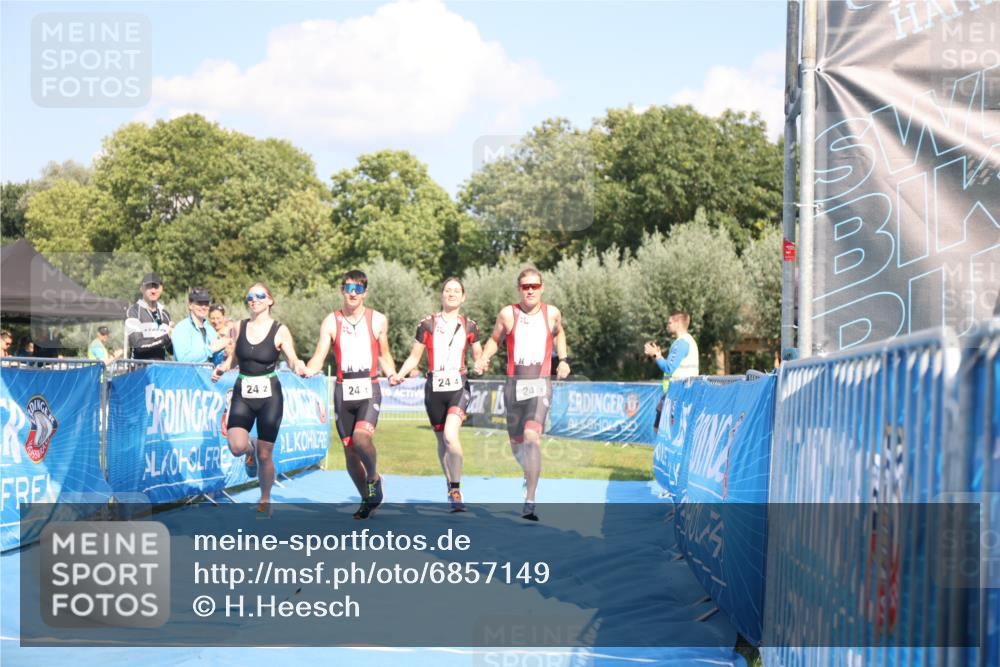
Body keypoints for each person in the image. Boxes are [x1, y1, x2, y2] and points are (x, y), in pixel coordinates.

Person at [473, 267, 571, 521]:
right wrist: (484, 357)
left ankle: (530, 500)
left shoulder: (552, 314)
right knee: (517, 445)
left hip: (541, 385)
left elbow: (560, 334)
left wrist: (564, 360)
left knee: (531, 437)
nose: (530, 290)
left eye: (534, 286)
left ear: (542, 288)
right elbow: (495, 339)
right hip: (513, 387)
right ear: (519, 288)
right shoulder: (508, 313)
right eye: (525, 286)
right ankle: (529, 472)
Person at [304, 270, 398, 520]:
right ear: (342, 291)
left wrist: (392, 374)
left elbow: (384, 354)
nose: (353, 293)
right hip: (343, 390)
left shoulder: (377, 320)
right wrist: (308, 369)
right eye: (348, 288)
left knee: (361, 439)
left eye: (358, 289)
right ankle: (366, 498)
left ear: (365, 292)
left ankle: (374, 476)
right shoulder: (331, 321)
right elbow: (319, 356)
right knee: (349, 453)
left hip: (369, 387)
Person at [211, 283, 307, 515]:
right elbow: (235, 357)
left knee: (266, 454)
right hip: (243, 391)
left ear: (270, 300)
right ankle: (249, 449)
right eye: (250, 297)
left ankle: (265, 499)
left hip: (269, 396)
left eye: (260, 296)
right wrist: (224, 367)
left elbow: (292, 359)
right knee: (235, 446)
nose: (254, 300)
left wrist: (298, 365)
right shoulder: (237, 327)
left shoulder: (280, 330)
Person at [390, 277, 482, 512]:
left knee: (451, 436)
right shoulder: (427, 324)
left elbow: (478, 354)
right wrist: (400, 374)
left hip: (458, 386)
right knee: (441, 440)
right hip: (434, 388)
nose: (451, 294)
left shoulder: (470, 325)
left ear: (463, 297)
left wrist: (481, 363)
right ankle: (450, 486)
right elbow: (414, 357)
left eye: (456, 291)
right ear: (441, 295)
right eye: (447, 290)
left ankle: (457, 487)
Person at [644, 310, 699, 434]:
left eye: (669, 322)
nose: (667, 325)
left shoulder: (682, 343)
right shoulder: (687, 341)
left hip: (677, 394)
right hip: (678, 393)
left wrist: (655, 356)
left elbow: (669, 368)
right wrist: (658, 355)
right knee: (659, 429)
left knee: (663, 432)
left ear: (678, 323)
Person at [173, 287, 230, 366]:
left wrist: (225, 353)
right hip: (187, 376)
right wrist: (211, 349)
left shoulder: (210, 330)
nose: (203, 307)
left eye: (206, 303)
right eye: (199, 303)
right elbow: (183, 359)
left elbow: (214, 359)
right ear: (190, 305)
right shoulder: (182, 328)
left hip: (207, 376)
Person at [125, 272, 173, 360]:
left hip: (159, 370)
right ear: (141, 289)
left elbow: (171, 351)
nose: (153, 291)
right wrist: (165, 338)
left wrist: (173, 338)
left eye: (156, 287)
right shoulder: (134, 311)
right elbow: (138, 345)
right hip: (139, 370)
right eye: (149, 287)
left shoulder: (165, 314)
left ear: (161, 288)